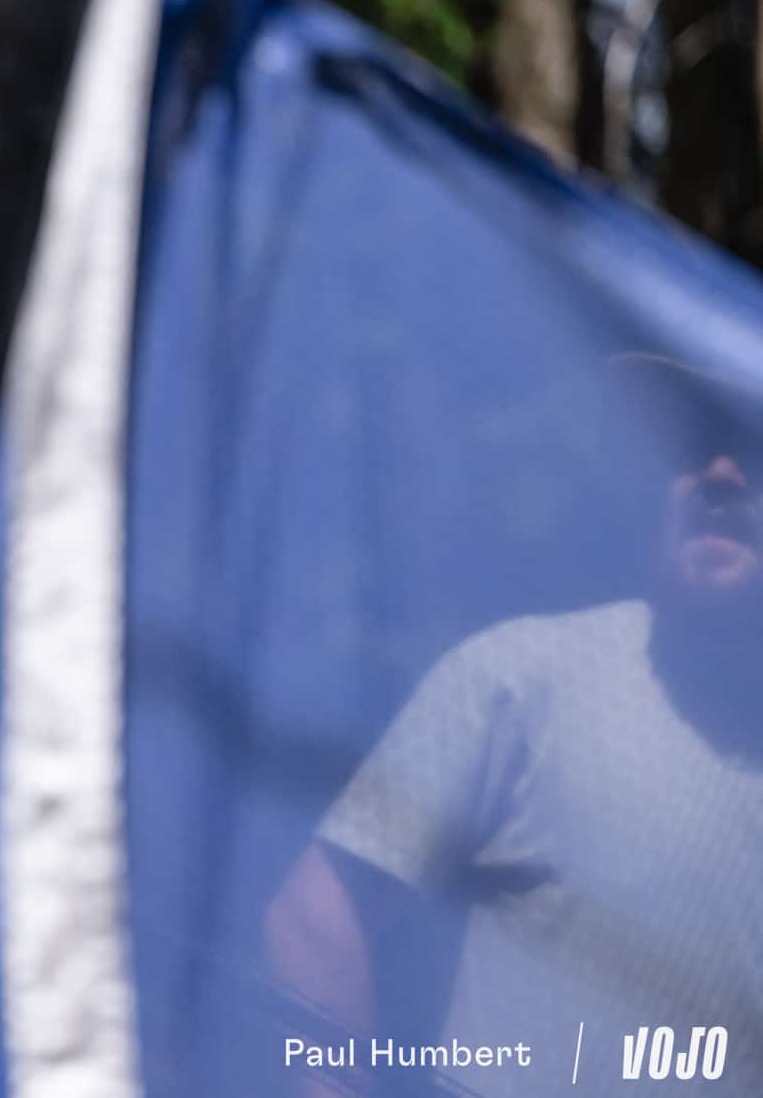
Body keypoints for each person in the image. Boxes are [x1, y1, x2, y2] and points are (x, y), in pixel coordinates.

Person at [264, 354, 763, 1097]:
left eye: (753, 442)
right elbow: (318, 912)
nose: (720, 473)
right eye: (693, 444)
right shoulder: (523, 677)